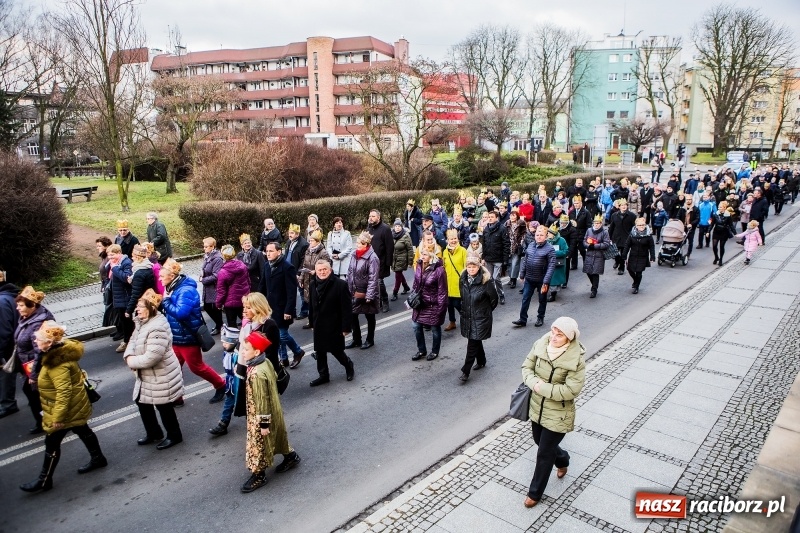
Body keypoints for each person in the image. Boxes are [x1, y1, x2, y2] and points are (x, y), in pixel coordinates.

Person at [19, 322, 107, 493]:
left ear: (49, 342)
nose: (35, 342)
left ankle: (44, 480)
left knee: (52, 441)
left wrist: (57, 417)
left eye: (38, 340)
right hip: (73, 405)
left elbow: (64, 392)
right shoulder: (54, 355)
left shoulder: (58, 364)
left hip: (67, 409)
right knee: (83, 429)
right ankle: (98, 458)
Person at [521, 316, 586, 508]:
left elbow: (571, 390)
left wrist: (543, 388)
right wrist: (534, 384)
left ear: (570, 338)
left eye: (560, 334)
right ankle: (563, 459)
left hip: (559, 413)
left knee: (544, 453)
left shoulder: (576, 359)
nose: (554, 337)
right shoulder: (541, 344)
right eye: (553, 331)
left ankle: (535, 493)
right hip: (537, 407)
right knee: (538, 441)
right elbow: (527, 367)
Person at [239, 331, 301, 493]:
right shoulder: (264, 362)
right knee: (279, 434)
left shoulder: (256, 374)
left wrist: (263, 424)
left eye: (246, 349)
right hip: (275, 408)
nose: (243, 352)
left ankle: (259, 474)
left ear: (257, 352)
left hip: (262, 415)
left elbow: (261, 400)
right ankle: (290, 456)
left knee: (258, 444)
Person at [160, 259, 226, 404]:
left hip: (188, 336)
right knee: (173, 368)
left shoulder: (186, 290)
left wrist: (165, 301)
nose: (160, 279)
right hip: (176, 336)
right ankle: (177, 397)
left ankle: (221, 385)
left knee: (197, 367)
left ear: (171, 276)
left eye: (162, 276)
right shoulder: (172, 288)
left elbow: (181, 313)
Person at [124, 289, 184, 449]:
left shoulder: (157, 326)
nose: (137, 309)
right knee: (141, 402)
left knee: (163, 405)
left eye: (140, 306)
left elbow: (153, 357)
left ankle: (174, 435)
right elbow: (132, 341)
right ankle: (154, 433)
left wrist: (132, 362)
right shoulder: (141, 322)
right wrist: (129, 355)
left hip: (161, 374)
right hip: (148, 375)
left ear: (150, 308)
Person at [13, 286, 54, 433]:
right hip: (27, 365)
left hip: (37, 366)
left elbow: (39, 351)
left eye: (21, 305)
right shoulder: (26, 318)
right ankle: (43, 420)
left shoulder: (38, 323)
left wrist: (34, 375)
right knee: (33, 394)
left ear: (33, 306)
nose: (18, 308)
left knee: (38, 394)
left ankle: (49, 421)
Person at [257, 242, 306, 367]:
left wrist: (289, 310)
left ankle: (297, 351)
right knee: (275, 334)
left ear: (279, 252)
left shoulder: (287, 267)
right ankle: (284, 358)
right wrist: (257, 303)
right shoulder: (267, 266)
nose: (268, 253)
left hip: (283, 308)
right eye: (267, 251)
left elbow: (291, 291)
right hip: (269, 308)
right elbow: (262, 286)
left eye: (271, 251)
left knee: (282, 335)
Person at [308, 259, 355, 386]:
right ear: (316, 271)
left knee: (336, 350)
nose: (322, 272)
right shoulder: (313, 284)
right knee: (320, 351)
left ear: (330, 270)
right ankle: (323, 375)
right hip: (319, 324)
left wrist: (346, 328)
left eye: (325, 269)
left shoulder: (340, 285)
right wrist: (311, 322)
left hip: (334, 324)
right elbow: (311, 306)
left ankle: (348, 365)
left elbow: (346, 308)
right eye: (319, 270)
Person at [457, 257, 498, 382]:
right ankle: (481, 361)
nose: (471, 269)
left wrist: (483, 311)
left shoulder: (486, 281)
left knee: (472, 343)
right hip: (468, 315)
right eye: (469, 267)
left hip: (481, 318)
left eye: (473, 266)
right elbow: (463, 296)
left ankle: (466, 371)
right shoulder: (463, 279)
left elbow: (494, 300)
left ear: (479, 267)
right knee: (475, 338)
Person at [410, 248, 448, 362]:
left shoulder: (439, 270)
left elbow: (442, 292)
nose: (422, 256)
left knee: (435, 329)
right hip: (420, 303)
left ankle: (435, 351)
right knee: (416, 326)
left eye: (425, 254)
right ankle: (422, 350)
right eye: (422, 253)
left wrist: (441, 310)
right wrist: (412, 297)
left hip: (433, 305)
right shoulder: (419, 265)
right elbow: (416, 284)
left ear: (432, 256)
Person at [513, 226, 555, 328]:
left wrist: (546, 281)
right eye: (537, 235)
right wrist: (522, 274)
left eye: (541, 235)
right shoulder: (531, 245)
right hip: (529, 278)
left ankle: (540, 318)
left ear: (546, 236)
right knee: (525, 299)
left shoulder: (550, 249)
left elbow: (551, 266)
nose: (539, 237)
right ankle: (522, 319)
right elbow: (525, 261)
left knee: (542, 300)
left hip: (542, 280)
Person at [346, 232, 380, 350]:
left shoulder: (373, 258)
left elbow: (373, 277)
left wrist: (369, 295)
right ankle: (356, 339)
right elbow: (350, 272)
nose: (356, 245)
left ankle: (370, 339)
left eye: (358, 243)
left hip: (366, 292)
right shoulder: (354, 255)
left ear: (365, 244)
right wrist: (347, 287)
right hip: (354, 291)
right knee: (352, 315)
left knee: (369, 315)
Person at [208, 325, 241, 437]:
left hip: (239, 384)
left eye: (226, 342)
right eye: (223, 342)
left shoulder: (238, 355)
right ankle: (223, 423)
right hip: (230, 383)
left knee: (247, 405)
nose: (223, 344)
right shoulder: (226, 352)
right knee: (228, 403)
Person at [298, 230, 330, 333]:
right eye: (310, 240)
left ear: (317, 241)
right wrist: (302, 278)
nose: (310, 242)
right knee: (310, 301)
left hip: (318, 280)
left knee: (319, 301)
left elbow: (327, 267)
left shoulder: (323, 252)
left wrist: (315, 272)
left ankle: (321, 320)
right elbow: (304, 265)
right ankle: (311, 320)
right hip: (308, 279)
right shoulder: (308, 250)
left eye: (312, 240)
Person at [0, 271, 20, 419]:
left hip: (10, 348)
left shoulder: (1, 301)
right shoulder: (12, 296)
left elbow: (3, 331)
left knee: (6, 374)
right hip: (18, 344)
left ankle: (8, 404)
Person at [216, 244, 250, 328]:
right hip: (244, 299)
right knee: (247, 321)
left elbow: (221, 291)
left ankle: (234, 340)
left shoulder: (223, 272)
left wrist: (218, 304)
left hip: (230, 303)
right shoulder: (242, 265)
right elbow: (248, 281)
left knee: (232, 324)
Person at [367, 209, 394, 313]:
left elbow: (390, 247)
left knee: (379, 281)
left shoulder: (385, 228)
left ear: (378, 217)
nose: (371, 218)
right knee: (372, 282)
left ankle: (385, 300)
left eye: (373, 216)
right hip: (370, 260)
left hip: (381, 260)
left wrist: (388, 262)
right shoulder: (369, 228)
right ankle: (379, 301)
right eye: (370, 216)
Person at [126, 244, 157, 335]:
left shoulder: (139, 273)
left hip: (143, 305)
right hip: (149, 303)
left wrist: (129, 310)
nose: (132, 258)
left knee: (142, 331)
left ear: (138, 257)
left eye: (133, 256)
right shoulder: (147, 267)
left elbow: (136, 294)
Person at [108, 243, 133, 352]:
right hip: (118, 297)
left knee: (127, 322)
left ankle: (128, 342)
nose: (110, 258)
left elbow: (126, 278)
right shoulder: (115, 263)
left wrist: (114, 268)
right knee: (123, 321)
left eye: (112, 255)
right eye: (109, 255)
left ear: (119, 253)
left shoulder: (126, 263)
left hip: (125, 297)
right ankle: (129, 340)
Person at [481, 210, 510, 306]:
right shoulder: (486, 229)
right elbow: (484, 244)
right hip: (488, 258)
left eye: (492, 217)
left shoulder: (502, 228)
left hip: (498, 258)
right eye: (489, 217)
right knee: (489, 279)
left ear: (496, 218)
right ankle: (491, 296)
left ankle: (501, 295)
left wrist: (505, 259)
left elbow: (506, 244)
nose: (490, 218)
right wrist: (483, 257)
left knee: (496, 278)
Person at [442, 229, 467, 332]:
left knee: (457, 304)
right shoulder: (445, 252)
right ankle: (452, 322)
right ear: (448, 240)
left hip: (459, 283)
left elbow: (466, 267)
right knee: (449, 305)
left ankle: (466, 319)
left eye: (455, 238)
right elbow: (443, 267)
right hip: (447, 283)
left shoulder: (463, 251)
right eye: (451, 239)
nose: (453, 241)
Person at [624, 218, 655, 294]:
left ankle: (636, 287)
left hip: (643, 256)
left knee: (639, 272)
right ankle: (635, 281)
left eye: (643, 225)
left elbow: (652, 246)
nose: (641, 226)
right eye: (639, 225)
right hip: (633, 255)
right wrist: (624, 255)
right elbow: (627, 245)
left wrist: (652, 257)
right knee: (630, 270)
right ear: (636, 226)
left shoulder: (648, 235)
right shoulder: (632, 234)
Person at [285, 224, 310, 319]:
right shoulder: (289, 242)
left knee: (302, 292)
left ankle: (304, 311)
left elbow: (304, 261)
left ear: (297, 234)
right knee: (290, 293)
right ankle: (292, 311)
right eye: (289, 233)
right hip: (288, 271)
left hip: (297, 272)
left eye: (292, 233)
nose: (290, 235)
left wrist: (299, 273)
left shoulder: (304, 244)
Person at [200, 237, 224, 335]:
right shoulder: (207, 256)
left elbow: (216, 275)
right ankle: (219, 324)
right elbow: (204, 268)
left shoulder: (217, 258)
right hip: (208, 288)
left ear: (212, 247)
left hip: (214, 287)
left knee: (215, 307)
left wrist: (203, 280)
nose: (204, 248)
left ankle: (220, 325)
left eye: (206, 247)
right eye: (204, 246)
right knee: (207, 307)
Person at [583, 215, 611, 298]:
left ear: (601, 224)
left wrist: (595, 246)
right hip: (589, 254)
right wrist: (588, 245)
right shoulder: (589, 230)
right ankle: (594, 285)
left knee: (595, 272)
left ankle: (594, 289)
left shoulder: (604, 232)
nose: (596, 224)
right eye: (595, 223)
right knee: (588, 271)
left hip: (599, 255)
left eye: (598, 223)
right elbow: (584, 241)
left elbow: (606, 244)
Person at [608, 200, 637, 275]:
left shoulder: (632, 216)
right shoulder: (614, 215)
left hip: (626, 238)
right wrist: (608, 237)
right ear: (619, 206)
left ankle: (621, 268)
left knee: (623, 254)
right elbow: (611, 227)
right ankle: (617, 261)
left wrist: (634, 237)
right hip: (616, 237)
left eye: (625, 205)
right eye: (622, 205)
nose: (624, 206)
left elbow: (634, 228)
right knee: (615, 253)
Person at [95, 237, 115, 332]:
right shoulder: (104, 256)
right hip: (106, 285)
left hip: (109, 286)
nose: (97, 248)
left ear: (106, 246)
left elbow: (109, 274)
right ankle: (117, 328)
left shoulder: (108, 258)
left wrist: (106, 286)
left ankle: (120, 330)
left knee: (111, 308)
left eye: (99, 246)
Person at [390, 218, 413, 301]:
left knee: (397, 275)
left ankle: (395, 292)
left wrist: (410, 262)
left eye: (399, 226)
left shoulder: (405, 236)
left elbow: (410, 249)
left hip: (402, 259)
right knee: (398, 273)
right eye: (396, 226)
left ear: (401, 227)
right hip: (394, 258)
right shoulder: (392, 235)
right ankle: (406, 287)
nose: (397, 228)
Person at [545, 224, 568, 302]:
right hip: (548, 262)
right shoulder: (547, 240)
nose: (548, 234)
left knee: (554, 279)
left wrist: (554, 253)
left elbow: (565, 251)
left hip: (558, 263)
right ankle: (551, 292)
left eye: (550, 233)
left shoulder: (562, 240)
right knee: (549, 278)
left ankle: (553, 294)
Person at [506, 210, 527, 289]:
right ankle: (510, 277)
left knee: (515, 264)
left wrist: (520, 242)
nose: (512, 217)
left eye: (514, 215)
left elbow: (524, 233)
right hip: (508, 245)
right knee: (509, 263)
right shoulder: (507, 223)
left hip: (517, 245)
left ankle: (513, 279)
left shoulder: (521, 223)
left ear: (517, 216)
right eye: (511, 215)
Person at [711, 202, 736, 267]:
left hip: (724, 232)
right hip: (716, 231)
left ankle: (721, 259)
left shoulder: (728, 215)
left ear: (724, 208)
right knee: (714, 246)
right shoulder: (715, 214)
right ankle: (716, 257)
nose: (719, 208)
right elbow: (712, 224)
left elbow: (731, 225)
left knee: (721, 246)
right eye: (719, 207)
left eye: (721, 207)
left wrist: (735, 233)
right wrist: (708, 231)